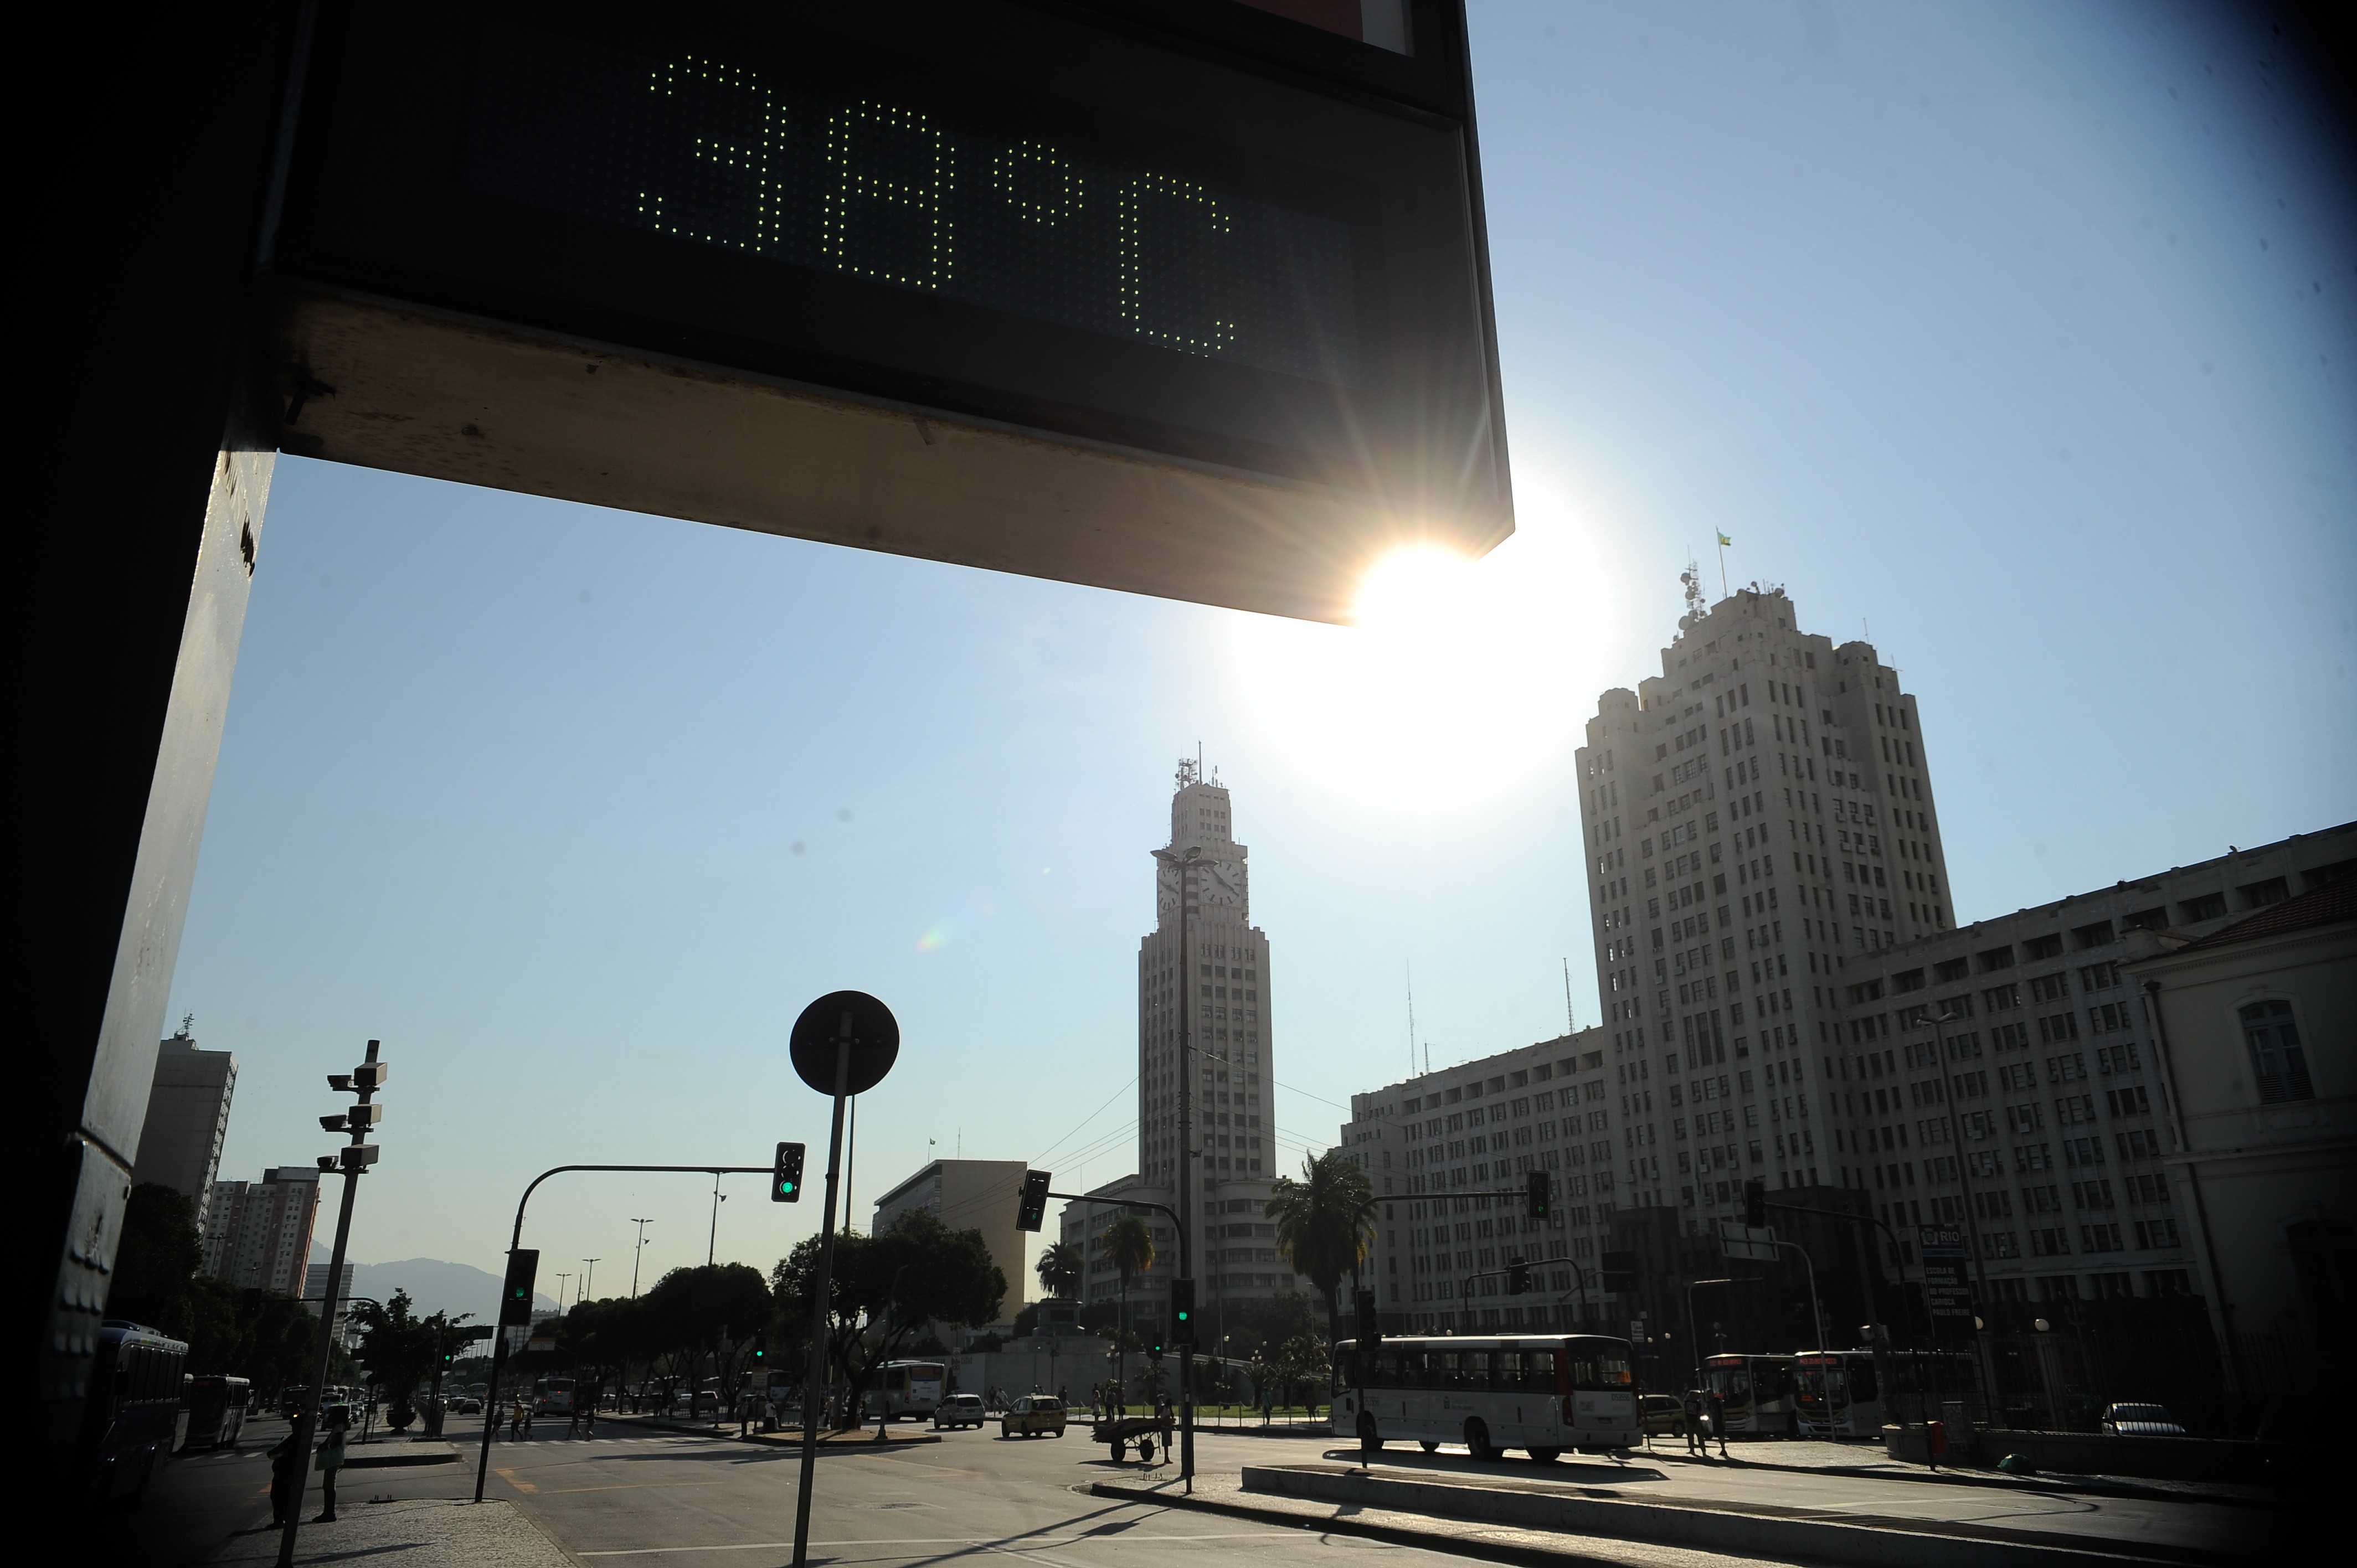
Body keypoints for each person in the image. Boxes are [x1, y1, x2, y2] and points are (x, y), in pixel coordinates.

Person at [312, 1406, 349, 1523]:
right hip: (335, 1458)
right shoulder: (340, 1426)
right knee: (328, 1485)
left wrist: (326, 1446)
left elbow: (337, 1442)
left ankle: (329, 1513)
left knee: (329, 1486)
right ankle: (328, 1512)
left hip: (334, 1458)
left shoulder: (339, 1426)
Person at [266, 1426, 305, 1526]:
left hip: (284, 1471)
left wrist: (272, 1453)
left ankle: (280, 1520)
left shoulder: (295, 1438)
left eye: (294, 1425)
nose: (293, 1428)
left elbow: (277, 1451)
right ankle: (285, 1518)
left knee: (278, 1496)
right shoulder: (301, 1437)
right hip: (289, 1471)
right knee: (283, 1496)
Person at [1705, 1388, 1729, 1458]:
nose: (1708, 1396)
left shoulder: (1718, 1401)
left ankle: (1724, 1449)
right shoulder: (1710, 1403)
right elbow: (1709, 1411)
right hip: (1715, 1420)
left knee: (1721, 1435)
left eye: (1709, 1394)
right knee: (1719, 1435)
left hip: (1720, 1419)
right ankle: (1723, 1449)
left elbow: (1722, 1410)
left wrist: (1723, 1419)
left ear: (1712, 1394)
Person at [1682, 1389, 1705, 1454]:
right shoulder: (1687, 1402)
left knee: (1700, 1437)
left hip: (1696, 1421)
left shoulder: (1697, 1404)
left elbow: (1699, 1413)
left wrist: (1698, 1421)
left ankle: (1703, 1450)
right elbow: (1685, 1410)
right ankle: (1692, 1449)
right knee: (1690, 1437)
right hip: (1689, 1421)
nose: (1692, 1397)